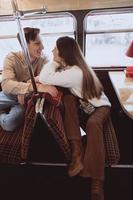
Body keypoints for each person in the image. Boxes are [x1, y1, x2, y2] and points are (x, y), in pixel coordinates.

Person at [38, 36, 111, 200]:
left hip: (101, 108)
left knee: (93, 124)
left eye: (55, 49)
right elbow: (47, 78)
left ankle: (97, 181)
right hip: (86, 105)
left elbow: (44, 77)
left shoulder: (74, 73)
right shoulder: (74, 68)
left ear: (63, 53)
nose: (52, 51)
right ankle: (77, 155)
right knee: (68, 99)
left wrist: (55, 61)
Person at [0, 27, 58, 132]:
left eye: (41, 43)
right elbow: (6, 85)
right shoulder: (11, 58)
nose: (43, 47)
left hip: (25, 101)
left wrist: (25, 87)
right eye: (37, 43)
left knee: (9, 124)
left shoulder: (44, 59)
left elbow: (47, 78)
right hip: (8, 95)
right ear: (24, 45)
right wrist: (32, 86)